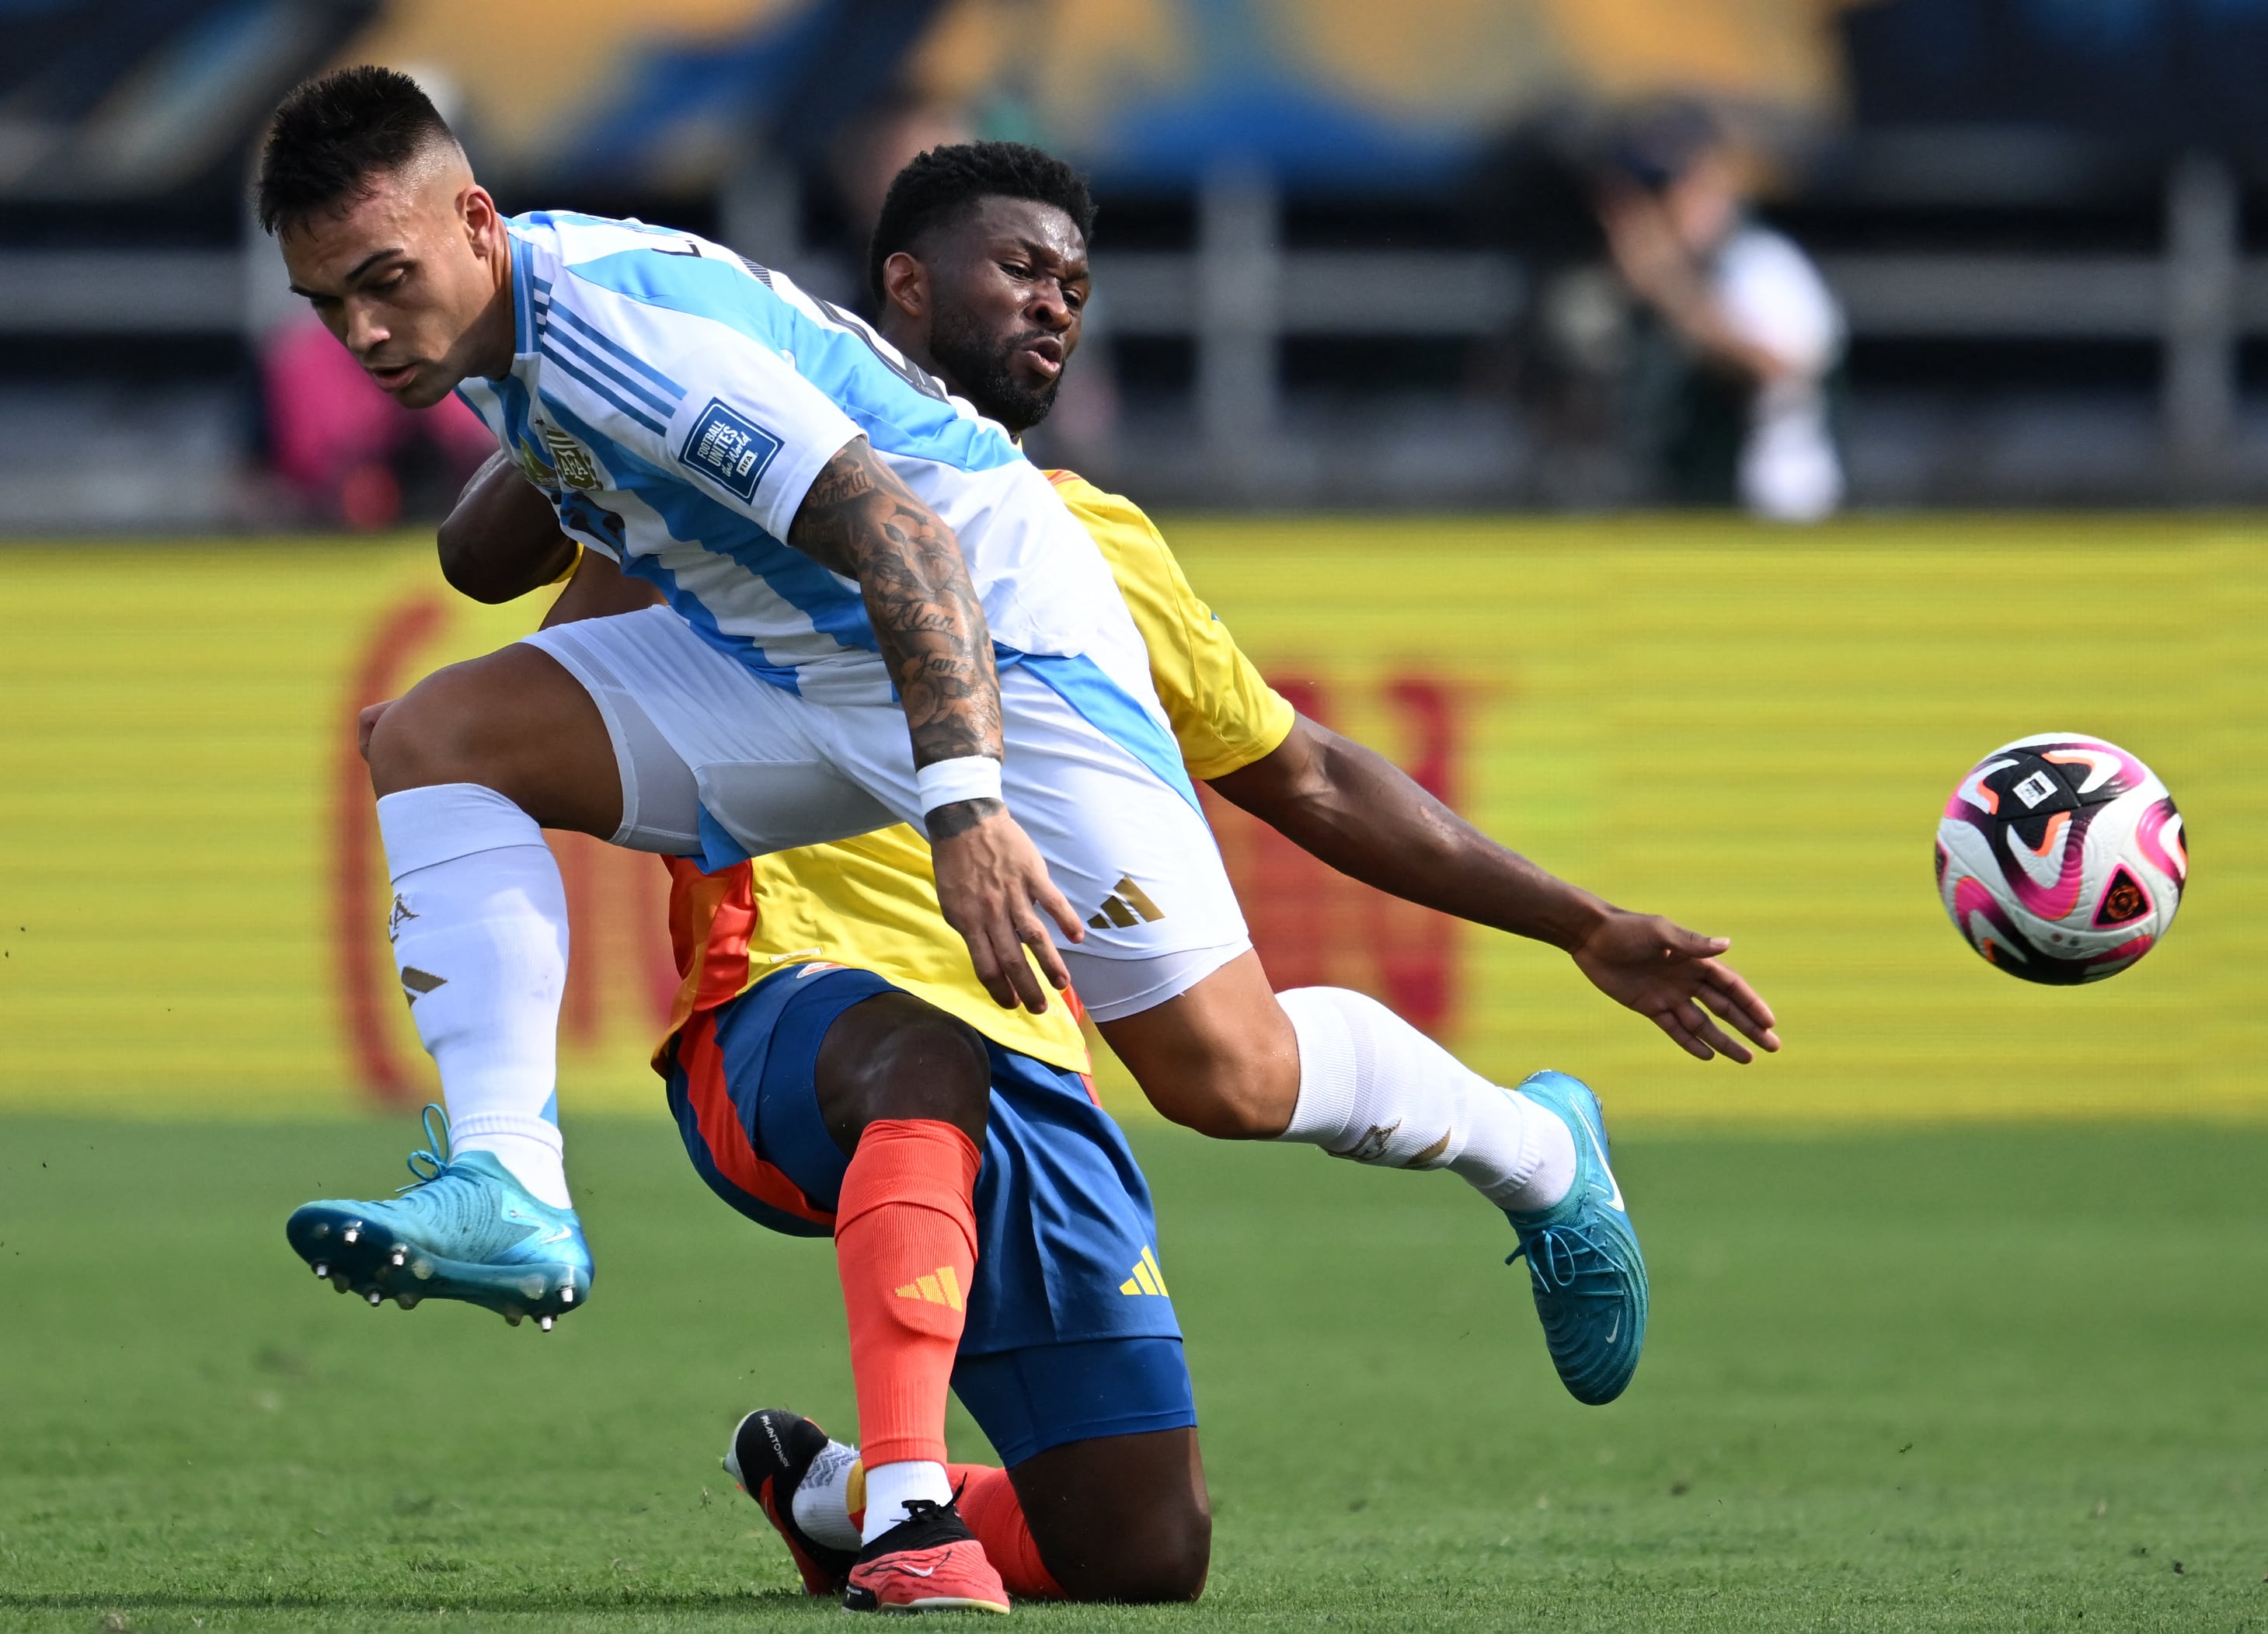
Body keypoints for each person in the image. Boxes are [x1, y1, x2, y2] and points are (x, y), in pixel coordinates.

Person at [267, 69, 1775, 1580]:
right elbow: (487, 561)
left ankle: (1530, 1146)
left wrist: (966, 802)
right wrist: (550, 447)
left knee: (1222, 1086)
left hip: (1010, 657)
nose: (363, 333)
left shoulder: (679, 357)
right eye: (332, 304)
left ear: (473, 220)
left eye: (382, 287)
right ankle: (519, 1188)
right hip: (805, 840)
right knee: (437, 735)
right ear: (900, 287)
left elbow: (946, 559)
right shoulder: (559, 344)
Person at [1596, 102, 1845, 522]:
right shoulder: (1659, 278)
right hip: (1690, 501)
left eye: (1669, 188)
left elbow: (1777, 367)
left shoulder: (1760, 260)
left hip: (1772, 508)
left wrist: (1673, 292)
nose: (1656, 212)